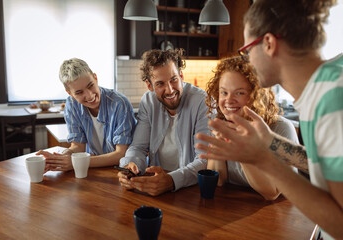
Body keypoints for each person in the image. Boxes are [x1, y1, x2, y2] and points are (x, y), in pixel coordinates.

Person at [195, 0, 343, 239]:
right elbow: (322, 164)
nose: (248, 61)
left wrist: (262, 159)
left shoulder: (332, 98)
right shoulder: (324, 86)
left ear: (269, 44)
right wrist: (270, 141)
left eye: (247, 50)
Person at [117, 49, 210, 196]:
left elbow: (205, 160)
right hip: (156, 187)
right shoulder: (148, 101)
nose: (170, 90)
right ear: (149, 85)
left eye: (174, 79)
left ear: (181, 75)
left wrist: (171, 180)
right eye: (160, 84)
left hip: (192, 190)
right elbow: (138, 147)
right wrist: (130, 166)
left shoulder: (202, 101)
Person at [205, 56, 299, 200]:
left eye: (240, 93)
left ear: (256, 96)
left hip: (278, 215)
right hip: (237, 210)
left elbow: (272, 192)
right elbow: (217, 180)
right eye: (224, 92)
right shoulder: (224, 123)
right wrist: (218, 144)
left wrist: (241, 148)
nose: (228, 100)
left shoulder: (281, 129)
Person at [37, 58, 136, 171]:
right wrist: (61, 158)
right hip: (92, 169)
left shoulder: (120, 104)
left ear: (95, 78)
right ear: (70, 93)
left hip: (121, 170)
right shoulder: (72, 105)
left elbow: (121, 154)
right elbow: (78, 146)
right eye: (79, 92)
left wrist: (77, 162)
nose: (89, 96)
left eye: (90, 86)